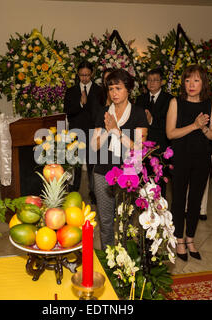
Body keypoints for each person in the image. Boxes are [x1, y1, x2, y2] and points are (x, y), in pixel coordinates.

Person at [166, 64, 212, 261]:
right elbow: (170, 133)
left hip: (202, 157)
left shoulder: (209, 104)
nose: (191, 84)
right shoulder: (175, 103)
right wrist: (194, 125)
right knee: (179, 199)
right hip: (180, 156)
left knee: (195, 200)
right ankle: (178, 239)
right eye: (188, 80)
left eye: (196, 80)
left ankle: (190, 239)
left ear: (203, 82)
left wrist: (204, 130)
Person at [90, 69, 148, 250]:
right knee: (106, 221)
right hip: (102, 171)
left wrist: (117, 130)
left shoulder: (139, 113)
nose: (114, 93)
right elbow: (94, 146)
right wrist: (108, 130)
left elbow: (139, 148)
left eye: (118, 88)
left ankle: (126, 259)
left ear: (128, 89)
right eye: (111, 89)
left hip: (128, 173)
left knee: (127, 220)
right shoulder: (104, 112)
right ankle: (108, 258)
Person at [64, 61, 102, 203]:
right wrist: (80, 104)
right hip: (76, 132)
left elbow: (100, 112)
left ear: (91, 73)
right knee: (76, 164)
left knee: (93, 164)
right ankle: (74, 191)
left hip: (93, 132)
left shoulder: (99, 91)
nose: (84, 78)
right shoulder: (71, 91)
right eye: (81, 75)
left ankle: (94, 192)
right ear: (78, 74)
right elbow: (68, 111)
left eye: (87, 75)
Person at [135, 68, 173, 197]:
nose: (151, 83)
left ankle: (160, 211)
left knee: (159, 182)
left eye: (155, 80)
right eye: (149, 80)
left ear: (162, 82)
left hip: (160, 146)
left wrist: (152, 120)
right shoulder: (141, 99)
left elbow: (170, 123)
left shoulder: (169, 100)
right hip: (143, 146)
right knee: (143, 181)